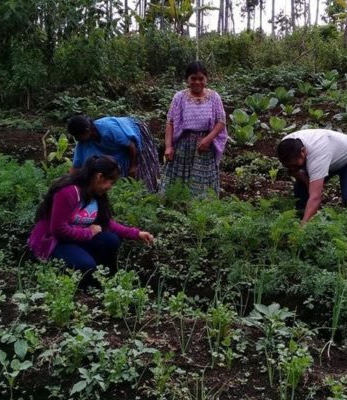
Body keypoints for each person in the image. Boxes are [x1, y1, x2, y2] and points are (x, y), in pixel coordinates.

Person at [28, 155, 154, 287]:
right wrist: (88, 233)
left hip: (74, 237)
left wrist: (137, 234)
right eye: (111, 182)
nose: (110, 187)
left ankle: (102, 278)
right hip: (55, 241)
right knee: (86, 266)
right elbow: (58, 230)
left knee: (111, 240)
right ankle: (83, 282)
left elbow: (106, 223)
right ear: (99, 177)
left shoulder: (94, 194)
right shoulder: (69, 191)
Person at [277, 129, 347, 231]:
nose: (292, 168)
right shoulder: (286, 146)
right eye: (288, 166)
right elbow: (296, 172)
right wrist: (305, 181)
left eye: (295, 165)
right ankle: (306, 220)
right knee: (301, 188)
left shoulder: (317, 156)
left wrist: (303, 226)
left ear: (303, 151)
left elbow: (315, 197)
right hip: (331, 155)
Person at [160, 61, 228, 197]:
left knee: (203, 180)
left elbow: (221, 121)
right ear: (187, 79)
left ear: (206, 79)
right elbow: (170, 122)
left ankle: (201, 209)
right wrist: (168, 147)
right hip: (183, 144)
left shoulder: (214, 97)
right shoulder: (179, 97)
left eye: (201, 78)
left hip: (205, 145)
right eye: (193, 78)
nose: (197, 82)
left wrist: (208, 140)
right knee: (178, 180)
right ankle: (175, 205)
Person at [67, 115, 160, 192]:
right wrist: (70, 185)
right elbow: (76, 167)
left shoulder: (108, 129)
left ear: (87, 130)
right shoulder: (83, 143)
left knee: (140, 173)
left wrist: (133, 166)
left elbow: (131, 146)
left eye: (78, 136)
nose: (77, 139)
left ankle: (148, 193)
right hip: (117, 147)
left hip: (134, 138)